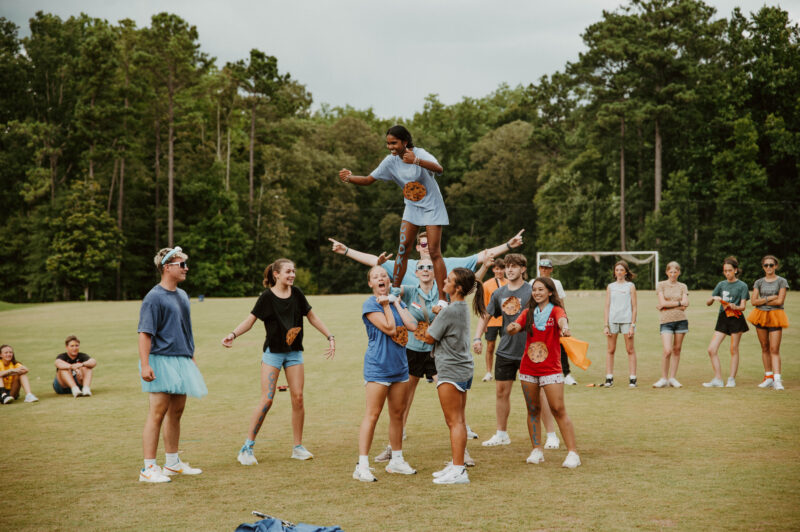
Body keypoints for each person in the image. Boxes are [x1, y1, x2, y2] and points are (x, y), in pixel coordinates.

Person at [222, 258, 335, 465]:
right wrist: (233, 334)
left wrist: (330, 336)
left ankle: (297, 447)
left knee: (298, 398)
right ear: (276, 274)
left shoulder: (297, 293)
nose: (292, 275)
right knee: (267, 399)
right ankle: (247, 448)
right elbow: (250, 320)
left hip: (294, 353)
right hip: (273, 353)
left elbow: (312, 317)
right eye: (288, 271)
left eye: (293, 271)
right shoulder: (266, 297)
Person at [339, 125, 450, 309]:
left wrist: (416, 161)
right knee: (403, 248)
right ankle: (395, 291)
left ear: (405, 142)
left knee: (434, 251)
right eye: (388, 143)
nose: (390, 147)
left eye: (394, 143)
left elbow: (439, 169)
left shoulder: (420, 153)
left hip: (432, 207)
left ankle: (443, 298)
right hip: (412, 207)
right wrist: (349, 178)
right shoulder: (390, 161)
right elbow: (368, 180)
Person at [472, 254, 560, 450]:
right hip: (505, 351)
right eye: (507, 266)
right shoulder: (499, 293)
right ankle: (501, 434)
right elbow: (486, 315)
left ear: (523, 269)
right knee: (501, 393)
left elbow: (550, 311)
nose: (509, 270)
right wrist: (477, 337)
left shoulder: (532, 290)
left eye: (514, 266)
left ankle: (551, 435)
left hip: (531, 352)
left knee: (539, 395)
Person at [137, 246, 207, 483]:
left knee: (176, 412)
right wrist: (145, 365)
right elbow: (145, 333)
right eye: (182, 265)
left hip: (181, 359)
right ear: (167, 268)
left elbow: (186, 330)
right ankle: (148, 468)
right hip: (161, 359)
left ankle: (173, 463)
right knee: (157, 413)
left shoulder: (182, 295)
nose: (186, 268)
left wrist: (191, 357)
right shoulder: (154, 297)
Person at [418, 268, 486, 484]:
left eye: (448, 280)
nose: (444, 282)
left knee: (454, 422)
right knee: (459, 420)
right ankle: (457, 464)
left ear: (457, 288)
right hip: (462, 368)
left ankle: (459, 470)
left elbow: (429, 337)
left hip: (451, 369)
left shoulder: (449, 311)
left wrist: (425, 318)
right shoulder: (459, 307)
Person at [507, 277, 581, 468]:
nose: (537, 293)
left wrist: (565, 327)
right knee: (533, 410)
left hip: (551, 369)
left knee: (558, 409)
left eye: (541, 289)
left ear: (550, 292)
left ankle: (573, 453)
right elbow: (516, 326)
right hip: (528, 368)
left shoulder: (556, 310)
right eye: (534, 290)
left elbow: (562, 320)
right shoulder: (528, 312)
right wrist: (512, 327)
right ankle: (537, 450)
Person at [353, 266, 419, 482]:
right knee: (372, 415)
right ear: (370, 283)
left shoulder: (396, 302)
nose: (381, 278)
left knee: (398, 414)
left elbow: (412, 325)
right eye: (375, 277)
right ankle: (362, 465)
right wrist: (385, 305)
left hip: (400, 367)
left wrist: (396, 303)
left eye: (384, 276)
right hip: (378, 367)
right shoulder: (371, 304)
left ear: (389, 281)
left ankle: (397, 460)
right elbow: (390, 328)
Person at [328, 228, 525, 289]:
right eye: (423, 244)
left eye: (431, 243)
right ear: (417, 247)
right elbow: (374, 261)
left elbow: (482, 255)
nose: (427, 247)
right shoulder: (406, 266)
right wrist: (346, 250)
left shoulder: (449, 264)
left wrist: (508, 245)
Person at [703, 256, 749, 388]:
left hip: (736, 319)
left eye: (730, 270)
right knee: (711, 349)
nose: (727, 273)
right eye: (725, 271)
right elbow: (708, 302)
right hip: (723, 318)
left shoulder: (742, 286)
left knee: (733, 349)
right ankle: (718, 379)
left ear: (735, 270)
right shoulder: (721, 285)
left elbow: (743, 307)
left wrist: (735, 307)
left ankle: (731, 379)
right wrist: (713, 299)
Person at [748, 255, 789, 390]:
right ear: (763, 267)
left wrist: (762, 301)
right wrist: (770, 298)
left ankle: (777, 380)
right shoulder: (758, 282)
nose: (769, 267)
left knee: (774, 349)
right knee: (765, 347)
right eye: (766, 265)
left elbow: (780, 301)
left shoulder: (781, 281)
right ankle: (768, 377)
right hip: (760, 315)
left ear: (776, 266)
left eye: (771, 265)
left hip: (776, 316)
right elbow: (753, 301)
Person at [534, 259, 577, 385]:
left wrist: (564, 321)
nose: (544, 270)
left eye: (547, 268)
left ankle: (566, 374)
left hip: (554, 318)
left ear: (551, 269)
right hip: (538, 319)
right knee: (538, 345)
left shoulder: (556, 283)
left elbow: (561, 303)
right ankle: (539, 372)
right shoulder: (533, 282)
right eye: (542, 267)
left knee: (560, 346)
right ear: (539, 268)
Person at [653, 262, 689, 388]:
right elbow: (662, 302)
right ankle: (663, 378)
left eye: (675, 272)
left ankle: (672, 378)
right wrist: (678, 303)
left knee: (677, 350)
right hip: (666, 322)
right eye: (671, 272)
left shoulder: (683, 286)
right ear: (667, 272)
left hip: (681, 321)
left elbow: (686, 304)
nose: (673, 274)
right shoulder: (661, 285)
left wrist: (667, 305)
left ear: (679, 272)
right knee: (667, 351)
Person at [603, 260, 638, 387]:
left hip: (627, 322)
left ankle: (633, 378)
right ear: (614, 272)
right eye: (617, 270)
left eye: (621, 270)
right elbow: (607, 306)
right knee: (611, 349)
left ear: (626, 272)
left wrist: (632, 325)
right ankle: (609, 377)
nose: (619, 272)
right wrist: (606, 325)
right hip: (612, 321)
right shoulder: (610, 287)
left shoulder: (630, 286)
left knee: (630, 349)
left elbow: (634, 307)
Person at [481, 257, 507, 382]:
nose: (499, 271)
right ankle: (488, 372)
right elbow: (484, 305)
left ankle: (505, 371)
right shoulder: (486, 285)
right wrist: (484, 324)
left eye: (502, 269)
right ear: (493, 270)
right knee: (490, 346)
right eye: (497, 269)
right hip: (491, 321)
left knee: (506, 347)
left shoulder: (509, 283)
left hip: (506, 321)